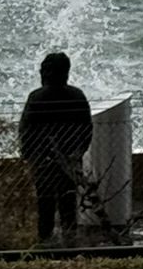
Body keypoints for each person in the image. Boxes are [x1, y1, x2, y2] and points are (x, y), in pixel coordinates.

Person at [19, 51, 93, 245]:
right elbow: (87, 129)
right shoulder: (77, 96)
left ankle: (45, 241)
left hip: (42, 160)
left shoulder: (36, 98)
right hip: (69, 158)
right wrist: (77, 153)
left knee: (45, 203)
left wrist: (29, 156)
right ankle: (69, 241)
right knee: (68, 202)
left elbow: (26, 130)